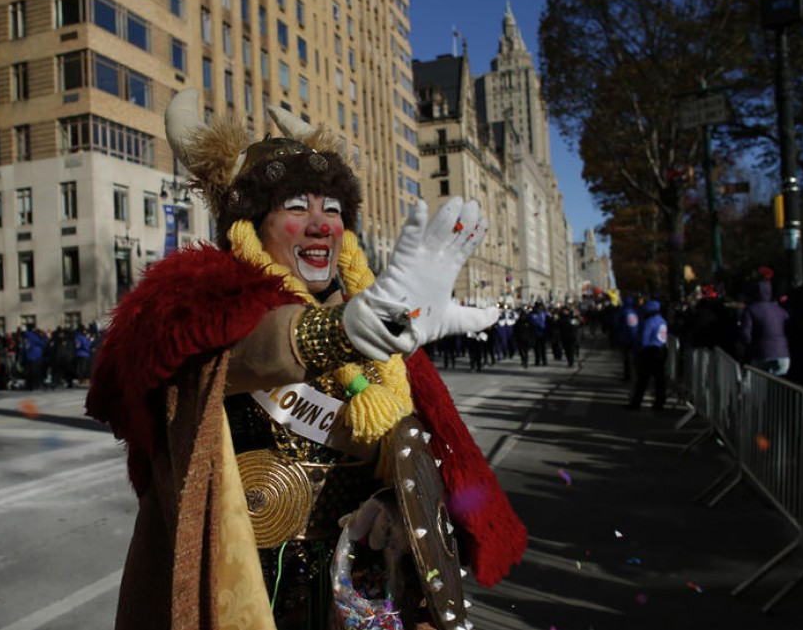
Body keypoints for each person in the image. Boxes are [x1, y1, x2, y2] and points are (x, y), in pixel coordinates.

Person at [86, 90, 527, 630]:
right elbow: (226, 353)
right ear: (250, 226)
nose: (322, 225)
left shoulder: (369, 315)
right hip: (251, 584)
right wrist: (337, 331)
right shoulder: (201, 308)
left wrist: (396, 505)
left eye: (332, 209)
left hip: (360, 585)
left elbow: (405, 450)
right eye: (297, 208)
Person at [626, 299, 669, 410]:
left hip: (650, 351)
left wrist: (639, 350)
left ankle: (636, 402)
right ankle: (660, 401)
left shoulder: (650, 321)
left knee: (643, 379)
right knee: (659, 379)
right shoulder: (662, 320)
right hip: (661, 350)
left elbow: (644, 338)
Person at [741, 280, 790, 375]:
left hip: (761, 354)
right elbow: (788, 327)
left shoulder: (751, 309)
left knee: (758, 380)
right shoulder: (780, 310)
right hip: (783, 355)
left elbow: (746, 334)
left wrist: (750, 347)